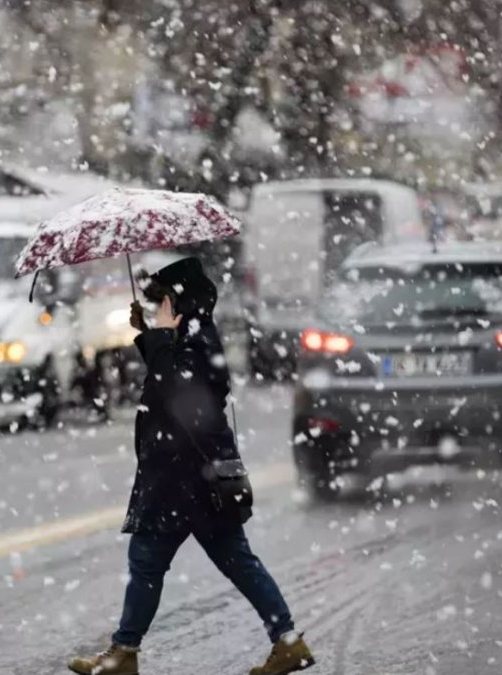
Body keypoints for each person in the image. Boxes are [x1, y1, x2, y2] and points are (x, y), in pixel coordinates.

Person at [67, 258, 314, 675]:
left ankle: (124, 652)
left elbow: (174, 388)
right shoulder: (195, 334)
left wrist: (160, 334)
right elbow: (172, 377)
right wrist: (150, 333)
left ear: (178, 301)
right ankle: (287, 641)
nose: (158, 306)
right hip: (192, 476)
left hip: (185, 478)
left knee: (150, 560)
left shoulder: (198, 339)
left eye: (162, 300)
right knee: (226, 561)